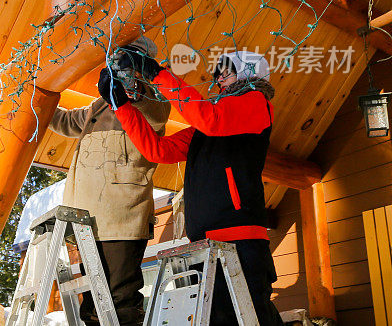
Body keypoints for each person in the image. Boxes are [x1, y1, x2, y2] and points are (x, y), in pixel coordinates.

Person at [107, 47, 284, 326]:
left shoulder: (257, 102)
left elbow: (210, 119)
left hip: (239, 239)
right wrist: (122, 107)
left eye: (228, 70)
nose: (219, 77)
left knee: (251, 317)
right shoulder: (208, 123)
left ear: (249, 73)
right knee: (216, 319)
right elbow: (159, 151)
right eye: (219, 72)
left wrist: (156, 73)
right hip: (205, 241)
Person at [49, 36, 170, 326]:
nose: (120, 65)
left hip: (122, 215)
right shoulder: (98, 105)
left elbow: (156, 117)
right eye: (118, 59)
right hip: (87, 216)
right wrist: (37, 102)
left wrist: (133, 87)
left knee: (120, 297)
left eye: (129, 60)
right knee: (93, 298)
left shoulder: (151, 97)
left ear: (142, 65)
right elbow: (64, 122)